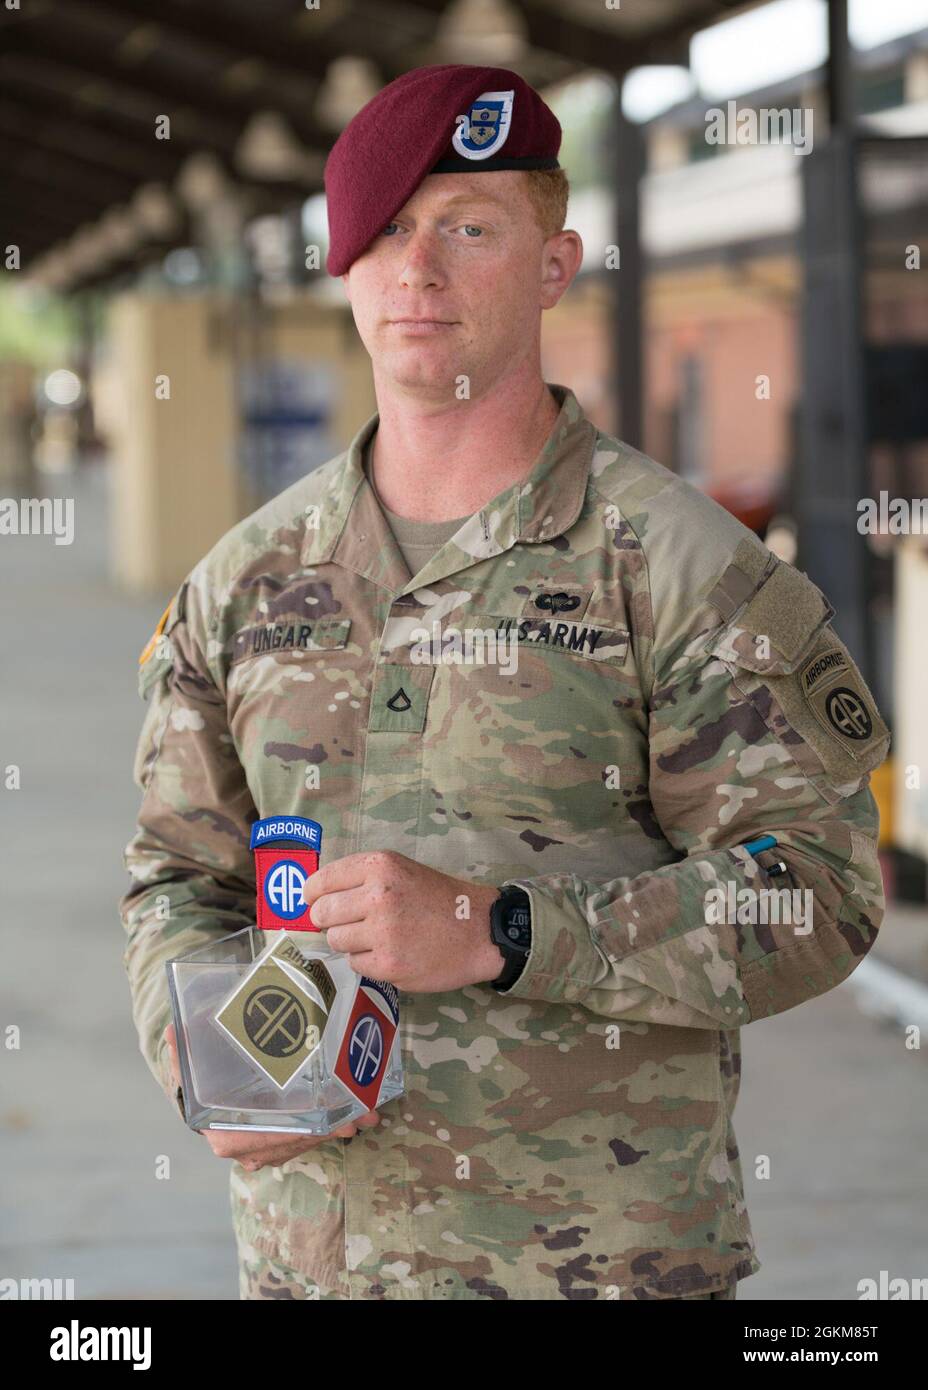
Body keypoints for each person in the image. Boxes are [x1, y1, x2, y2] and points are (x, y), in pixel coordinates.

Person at [120, 64, 890, 1301]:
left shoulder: (686, 571)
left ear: (553, 262)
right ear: (345, 264)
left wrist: (504, 931)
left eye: (470, 228)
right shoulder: (244, 582)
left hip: (600, 1272)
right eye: (387, 231)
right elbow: (175, 873)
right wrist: (200, 1059)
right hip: (310, 1266)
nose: (418, 271)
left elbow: (822, 888)